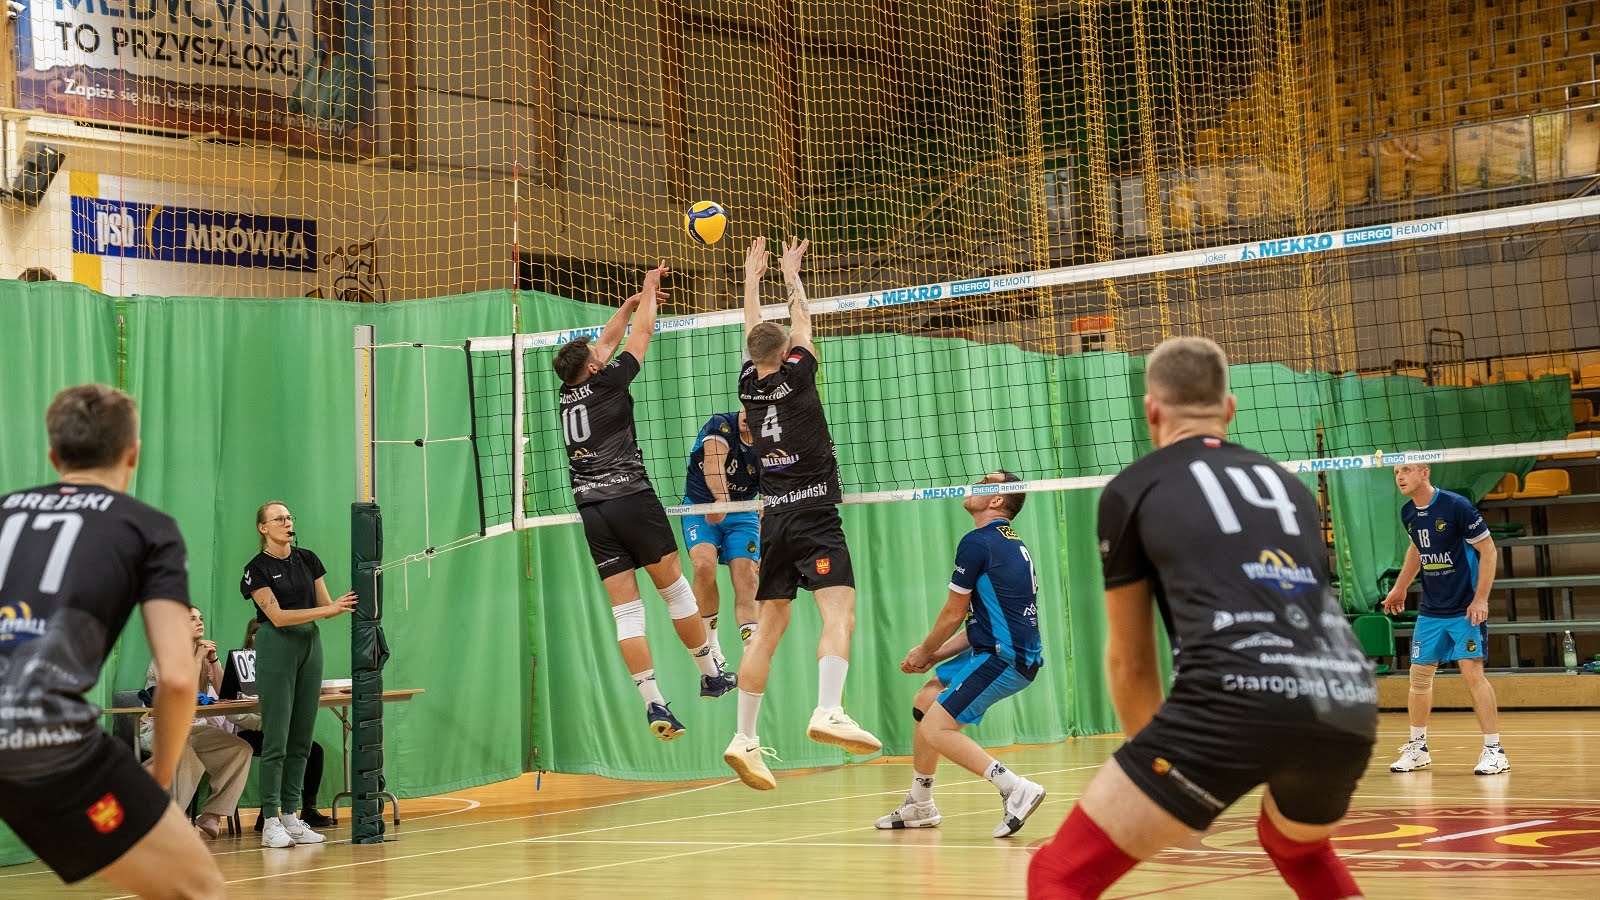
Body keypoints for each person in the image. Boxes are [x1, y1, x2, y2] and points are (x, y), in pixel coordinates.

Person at [1028, 337, 1378, 900]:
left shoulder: (1133, 487)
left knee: (1058, 874)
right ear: (1230, 409)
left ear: (1151, 410)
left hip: (1233, 698)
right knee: (1297, 848)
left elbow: (1131, 661)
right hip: (1346, 699)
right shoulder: (1290, 486)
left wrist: (1161, 773)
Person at [0, 383, 225, 897]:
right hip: (41, 741)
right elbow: (176, 676)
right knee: (198, 889)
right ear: (133, 453)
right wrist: (160, 776)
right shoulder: (147, 528)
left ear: (54, 456)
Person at [552, 261, 737, 742]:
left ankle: (655, 703)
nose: (602, 350)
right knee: (675, 592)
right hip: (631, 498)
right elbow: (641, 335)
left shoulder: (567, 393)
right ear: (595, 368)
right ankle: (710, 674)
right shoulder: (608, 382)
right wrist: (650, 290)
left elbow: (607, 341)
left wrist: (630, 303)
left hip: (592, 510)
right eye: (597, 355)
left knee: (626, 613)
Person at [723, 236, 882, 791]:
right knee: (839, 615)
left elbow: (757, 332)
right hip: (814, 513)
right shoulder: (798, 374)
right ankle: (829, 709)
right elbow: (803, 321)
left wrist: (750, 279)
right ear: (787, 350)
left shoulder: (748, 385)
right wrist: (791, 274)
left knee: (767, 631)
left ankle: (744, 737)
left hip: (774, 520)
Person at [878, 470, 1047, 838]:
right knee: (926, 700)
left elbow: (953, 614)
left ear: (997, 500)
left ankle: (1015, 788)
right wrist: (933, 656)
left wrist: (925, 650)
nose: (975, 485)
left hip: (1004, 658)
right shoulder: (1009, 543)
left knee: (936, 727)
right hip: (1001, 650)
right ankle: (921, 803)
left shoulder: (978, 542)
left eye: (985, 483)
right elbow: (980, 625)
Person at [241, 501, 357, 848]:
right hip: (277, 645)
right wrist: (327, 609)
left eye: (289, 517)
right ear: (263, 527)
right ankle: (270, 820)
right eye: (279, 518)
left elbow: (327, 606)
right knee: (276, 738)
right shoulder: (256, 569)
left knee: (302, 738)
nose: (287, 522)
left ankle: (292, 816)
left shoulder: (308, 559)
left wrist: (341, 605)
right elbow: (277, 617)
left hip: (310, 643)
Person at [1381, 463, 1508, 775]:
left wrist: (1481, 599)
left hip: (1464, 607)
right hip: (1431, 610)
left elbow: (1489, 551)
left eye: (1406, 470)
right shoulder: (1408, 512)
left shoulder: (1456, 506)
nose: (1400, 477)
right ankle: (1418, 749)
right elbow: (1417, 549)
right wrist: (1400, 587)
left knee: (1472, 675)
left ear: (1425, 473)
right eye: (1396, 472)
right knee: (1418, 677)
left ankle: (1495, 751)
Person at [137, 607, 253, 839]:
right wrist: (198, 658)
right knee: (185, 750)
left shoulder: (204, 657)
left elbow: (226, 694)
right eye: (191, 619)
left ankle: (212, 814)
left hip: (190, 727)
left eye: (200, 618)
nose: (199, 622)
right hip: (158, 727)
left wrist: (214, 660)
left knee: (240, 749)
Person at [681, 408, 762, 668]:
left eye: (756, 408)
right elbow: (714, 463)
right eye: (745, 405)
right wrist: (721, 499)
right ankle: (712, 646)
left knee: (747, 575)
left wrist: (766, 542)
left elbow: (769, 499)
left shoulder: (770, 441)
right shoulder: (721, 424)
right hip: (702, 508)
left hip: (743, 511)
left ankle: (751, 652)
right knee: (703, 565)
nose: (747, 413)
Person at [234, 619, 333, 829]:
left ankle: (305, 809)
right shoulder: (240, 662)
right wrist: (264, 722)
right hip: (252, 729)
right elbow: (233, 710)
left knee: (311, 749)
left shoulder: (288, 661)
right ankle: (268, 814)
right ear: (255, 637)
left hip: (279, 724)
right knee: (277, 748)